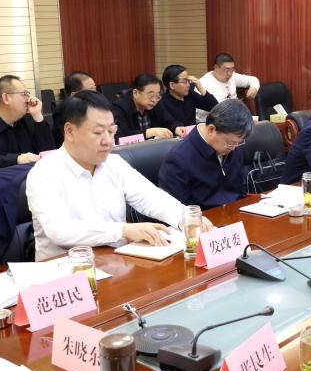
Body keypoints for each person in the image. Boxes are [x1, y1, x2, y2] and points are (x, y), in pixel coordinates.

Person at [26, 90, 211, 261]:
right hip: (66, 270)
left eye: (111, 131)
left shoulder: (113, 163)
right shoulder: (45, 172)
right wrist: (123, 230)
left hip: (116, 262)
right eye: (98, 132)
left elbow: (150, 197)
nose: (108, 141)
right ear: (70, 131)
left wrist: (185, 217)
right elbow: (58, 229)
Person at [159, 99, 251, 209]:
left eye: (239, 142)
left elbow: (240, 192)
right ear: (211, 130)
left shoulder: (233, 147)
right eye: (230, 143)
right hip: (203, 217)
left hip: (236, 212)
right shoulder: (178, 159)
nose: (235, 148)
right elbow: (177, 210)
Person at [0, 75, 55, 169]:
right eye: (24, 94)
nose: (29, 99)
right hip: (2, 177)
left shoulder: (28, 119)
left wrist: (38, 116)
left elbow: (49, 153)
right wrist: (17, 159)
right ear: (6, 98)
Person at [151, 64, 218, 135]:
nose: (188, 85)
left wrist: (200, 87)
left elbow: (214, 107)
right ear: (172, 85)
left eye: (188, 81)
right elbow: (170, 123)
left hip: (193, 135)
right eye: (185, 81)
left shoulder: (190, 95)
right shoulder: (161, 103)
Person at [111, 73, 175, 140]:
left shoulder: (155, 103)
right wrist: (151, 132)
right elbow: (121, 137)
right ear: (135, 93)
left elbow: (169, 120)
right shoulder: (119, 108)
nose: (154, 100)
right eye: (151, 96)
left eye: (157, 95)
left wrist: (176, 127)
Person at [52, 70, 97, 146]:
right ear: (74, 95)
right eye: (91, 90)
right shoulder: (62, 113)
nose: (95, 94)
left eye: (95, 88)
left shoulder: (98, 106)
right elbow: (67, 140)